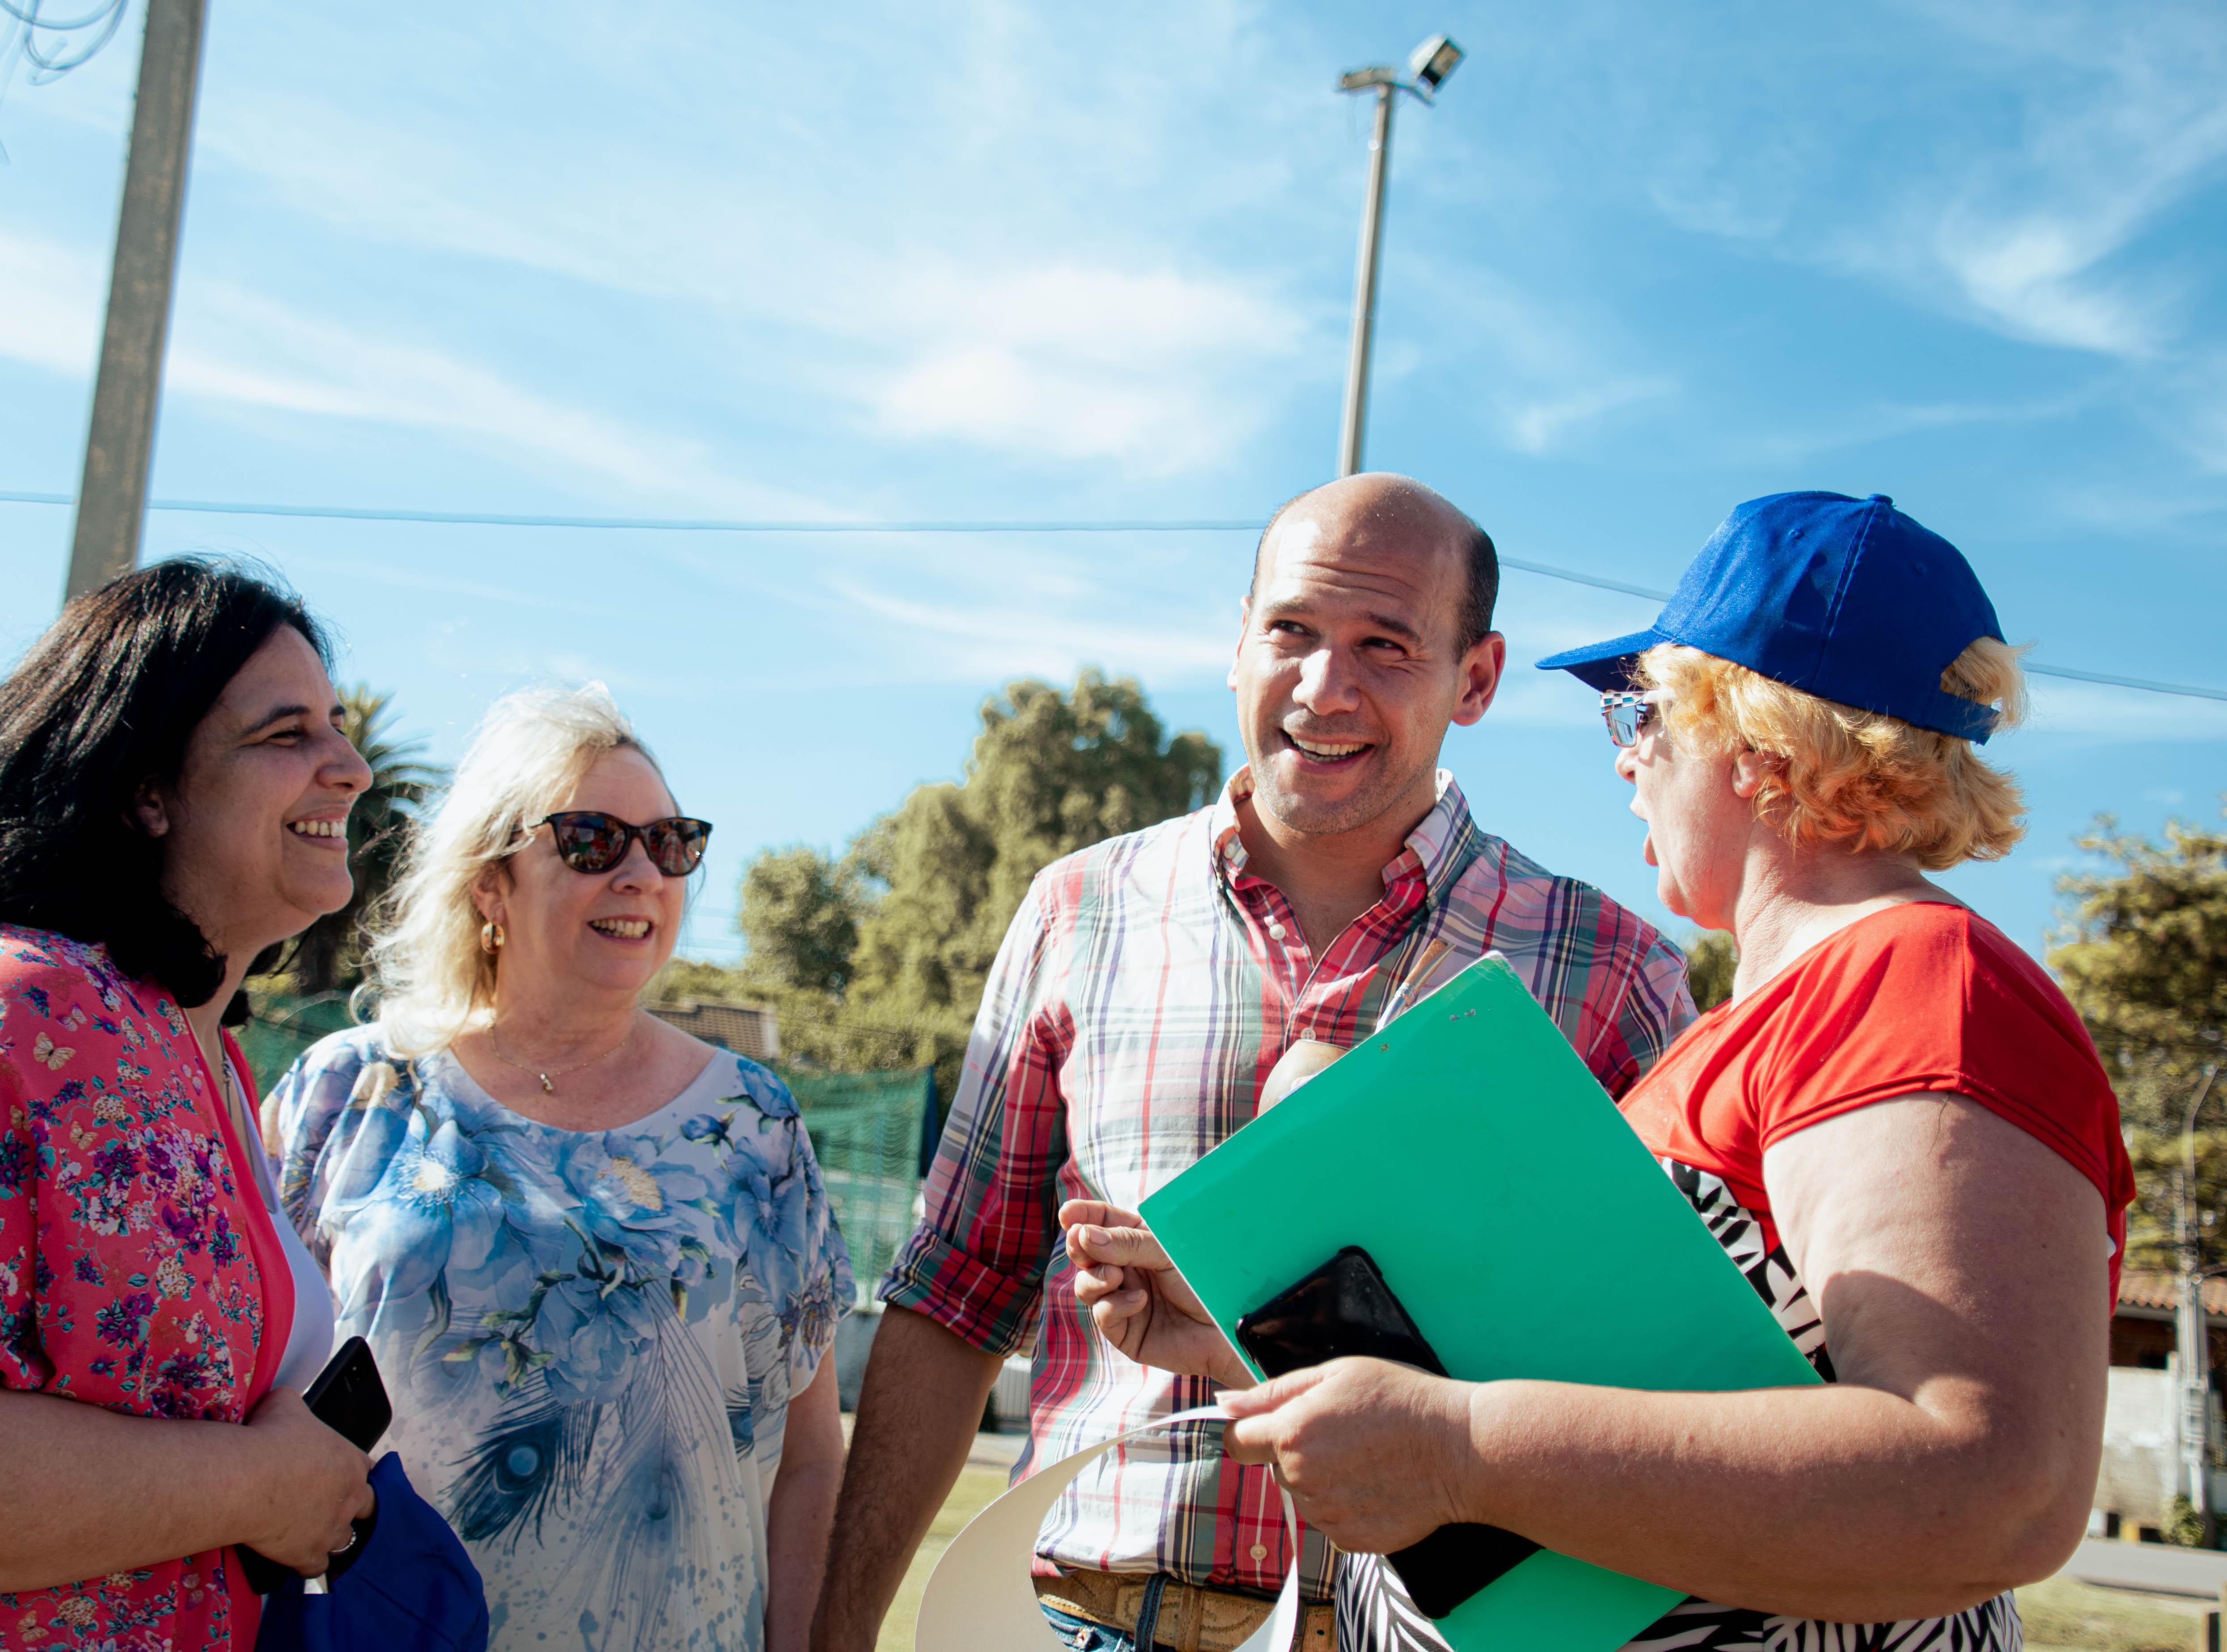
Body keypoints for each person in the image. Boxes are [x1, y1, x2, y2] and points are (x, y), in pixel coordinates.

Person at [1068, 491, 2132, 1652]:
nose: (1627, 760)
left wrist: (1460, 1448)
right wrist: (1259, 1330)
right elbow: (1650, 1401)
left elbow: (1990, 1488)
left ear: (1757, 735)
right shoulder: (1757, 1021)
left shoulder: (1917, 985)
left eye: (1642, 710)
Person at [815, 474, 1697, 1652]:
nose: (1325, 688)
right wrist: (834, 1632)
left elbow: (1661, 1360)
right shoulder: (1082, 909)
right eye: (1292, 631)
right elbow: (954, 1292)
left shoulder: (1609, 971)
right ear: (1238, 640)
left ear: (1474, 680)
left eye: (1386, 646)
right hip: (1094, 1615)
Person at [0, 559, 379, 1649]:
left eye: (339, 724)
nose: (354, 768)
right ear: (145, 787)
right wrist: (258, 1486)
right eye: (288, 734)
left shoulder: (204, 1051)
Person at [262, 684, 855, 1652]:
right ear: (489, 885)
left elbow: (810, 1464)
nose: (640, 873)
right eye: (591, 839)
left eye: (669, 843)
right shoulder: (346, 1090)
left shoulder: (755, 1124)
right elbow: (242, 1395)